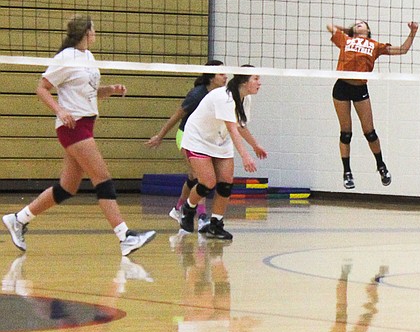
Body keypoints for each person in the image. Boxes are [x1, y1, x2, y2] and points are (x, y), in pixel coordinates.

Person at [2, 15, 156, 256]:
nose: (96, 33)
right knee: (102, 177)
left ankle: (18, 219)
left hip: (86, 123)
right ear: (86, 32)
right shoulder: (65, 58)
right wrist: (60, 110)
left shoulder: (88, 57)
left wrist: (110, 90)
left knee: (67, 188)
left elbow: (88, 92)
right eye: (94, 29)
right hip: (73, 126)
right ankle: (125, 236)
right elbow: (41, 88)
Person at [326, 20, 419, 189]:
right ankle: (347, 172)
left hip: (360, 88)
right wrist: (348, 31)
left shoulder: (374, 45)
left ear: (368, 30)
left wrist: (413, 32)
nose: (358, 24)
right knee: (346, 133)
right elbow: (329, 25)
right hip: (341, 87)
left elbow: (403, 50)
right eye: (356, 24)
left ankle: (381, 166)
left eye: (362, 23)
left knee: (370, 132)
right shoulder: (345, 40)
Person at [178, 67, 268, 240]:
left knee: (226, 184)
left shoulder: (245, 99)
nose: (259, 83)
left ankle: (215, 224)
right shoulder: (224, 97)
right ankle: (188, 208)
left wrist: (255, 145)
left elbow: (240, 125)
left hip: (220, 140)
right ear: (244, 81)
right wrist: (245, 156)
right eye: (256, 79)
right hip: (198, 139)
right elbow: (232, 129)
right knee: (207, 183)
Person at [145, 61, 228, 230]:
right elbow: (178, 114)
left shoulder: (222, 94)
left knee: (193, 177)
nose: (226, 76)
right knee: (202, 178)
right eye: (221, 74)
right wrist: (160, 136)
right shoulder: (197, 94)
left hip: (206, 139)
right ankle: (203, 216)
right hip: (186, 136)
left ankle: (178, 209)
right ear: (211, 77)